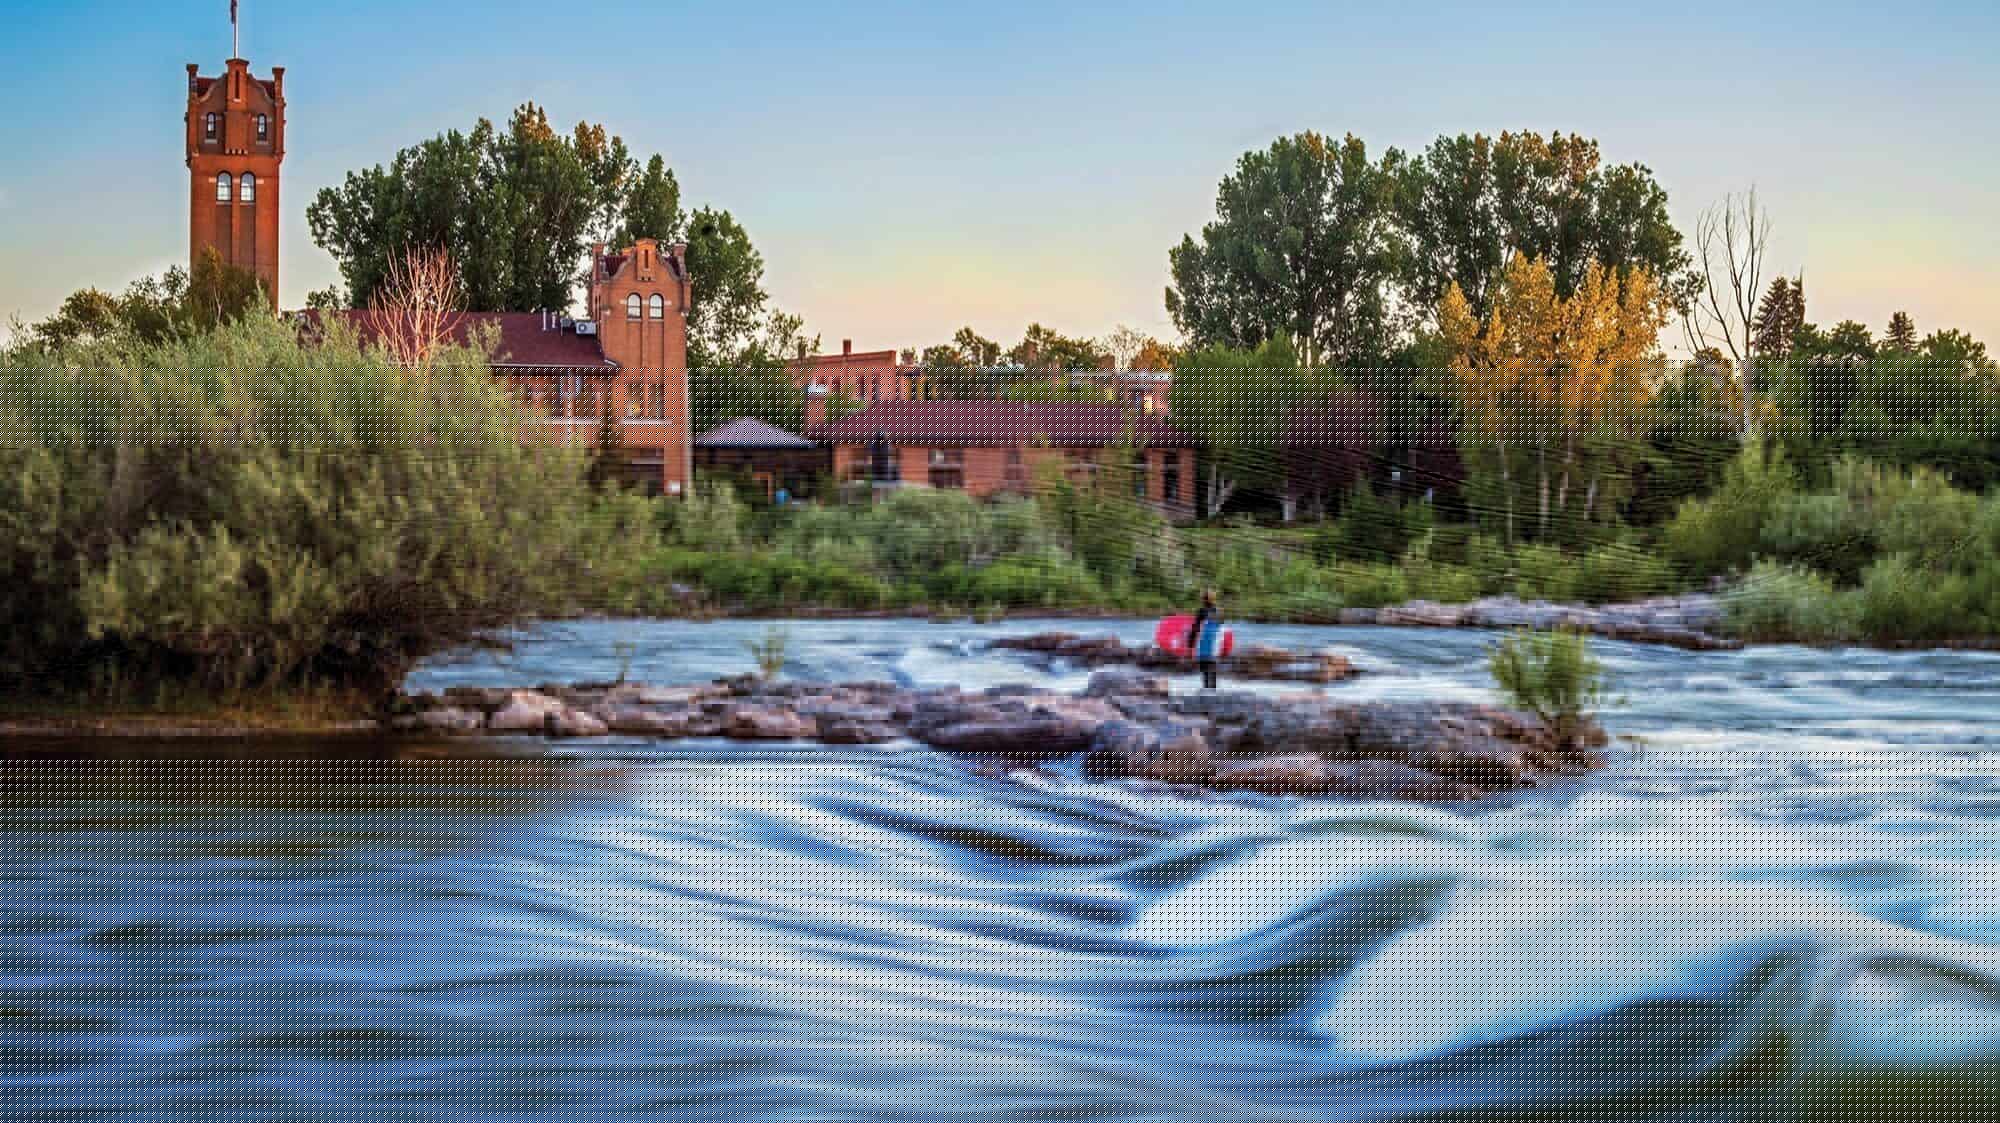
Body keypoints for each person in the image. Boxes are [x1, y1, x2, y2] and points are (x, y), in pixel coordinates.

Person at [1189, 588, 1222, 690]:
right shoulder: (1219, 611)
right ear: (1213, 599)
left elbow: (1195, 627)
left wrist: (1190, 642)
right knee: (1213, 667)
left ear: (1203, 599)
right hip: (1215, 643)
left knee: (1204, 668)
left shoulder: (1202, 611)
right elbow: (1221, 628)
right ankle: (1213, 690)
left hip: (1203, 642)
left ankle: (1206, 689)